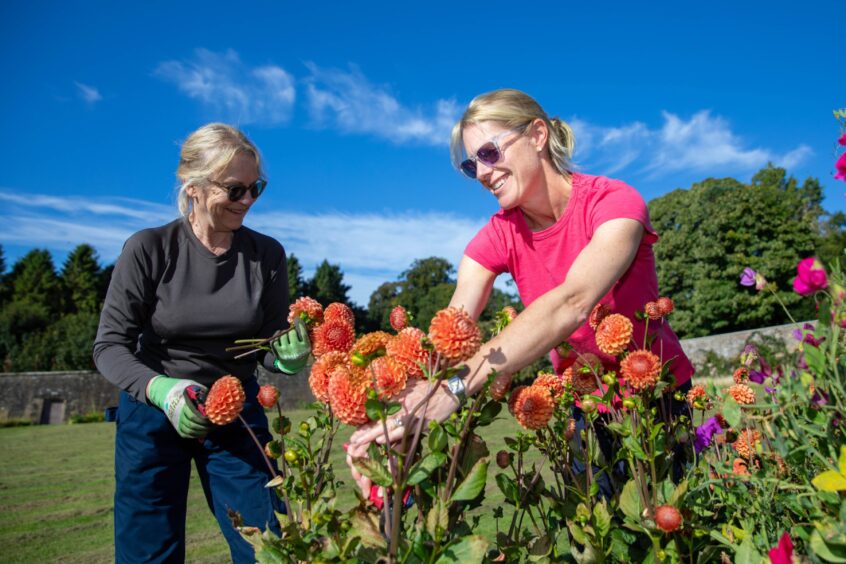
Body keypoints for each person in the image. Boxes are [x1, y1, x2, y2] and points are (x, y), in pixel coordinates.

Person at [347, 88, 694, 493]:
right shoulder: (494, 238)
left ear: (538, 135)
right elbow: (448, 336)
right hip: (582, 406)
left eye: (490, 153)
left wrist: (455, 390)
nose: (481, 173)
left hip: (658, 396)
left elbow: (574, 302)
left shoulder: (614, 202)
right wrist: (397, 411)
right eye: (469, 164)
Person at [93, 123, 310, 563]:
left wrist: (285, 357)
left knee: (268, 544)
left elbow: (266, 343)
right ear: (193, 187)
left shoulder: (267, 255)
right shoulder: (148, 249)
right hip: (153, 411)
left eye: (256, 189)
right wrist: (163, 390)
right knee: (147, 552)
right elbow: (110, 346)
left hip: (236, 410)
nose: (247, 201)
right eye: (234, 190)